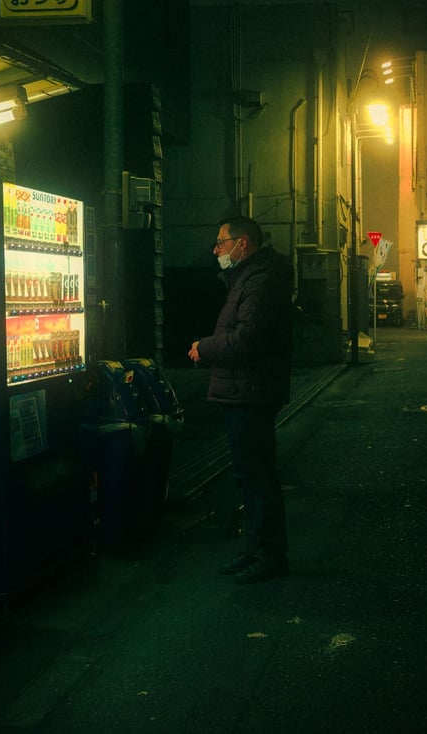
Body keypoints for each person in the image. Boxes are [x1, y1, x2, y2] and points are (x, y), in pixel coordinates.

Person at [189, 215, 295, 584]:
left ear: (242, 244)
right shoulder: (247, 279)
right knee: (249, 477)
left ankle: (269, 555)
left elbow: (248, 339)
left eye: (222, 242)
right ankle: (255, 550)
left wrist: (205, 348)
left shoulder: (260, 282)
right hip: (244, 391)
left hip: (252, 392)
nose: (217, 250)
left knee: (258, 477)